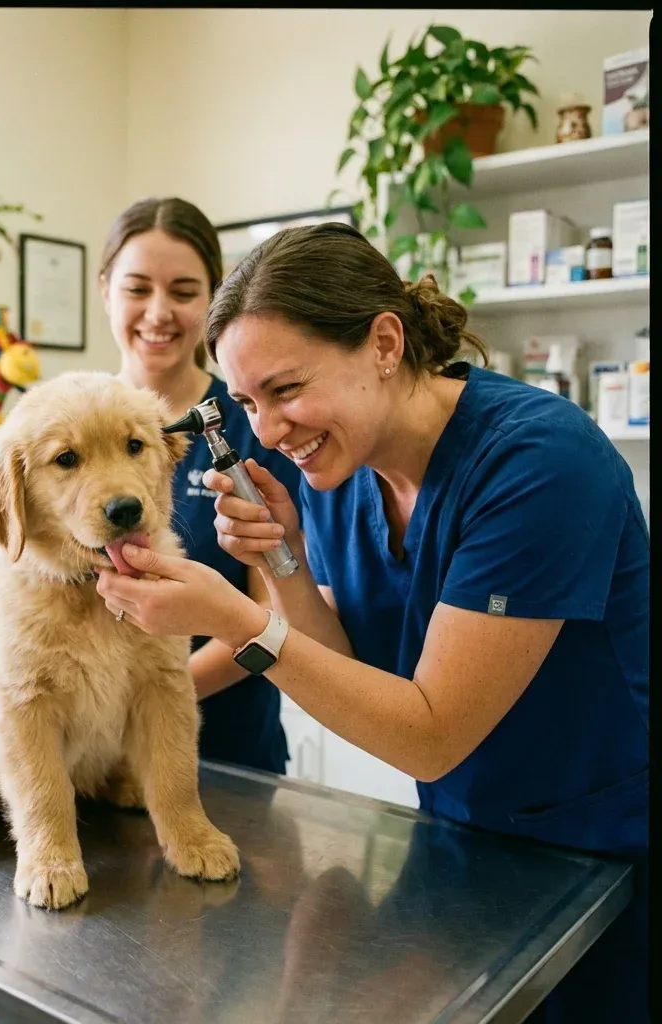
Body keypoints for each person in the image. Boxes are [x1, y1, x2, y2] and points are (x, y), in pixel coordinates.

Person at [96, 222, 649, 1023]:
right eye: (248, 403)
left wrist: (234, 617)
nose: (269, 432)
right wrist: (284, 559)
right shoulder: (342, 472)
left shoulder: (539, 463)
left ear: (385, 343)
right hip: (464, 842)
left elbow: (429, 732)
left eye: (286, 389)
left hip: (607, 860)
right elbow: (350, 669)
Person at [98, 196, 303, 774]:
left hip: (228, 756)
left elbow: (277, 608)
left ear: (213, 297)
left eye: (184, 291)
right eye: (137, 289)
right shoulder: (71, 425)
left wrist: (153, 704)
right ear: (106, 291)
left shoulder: (254, 424)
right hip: (92, 757)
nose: (158, 312)